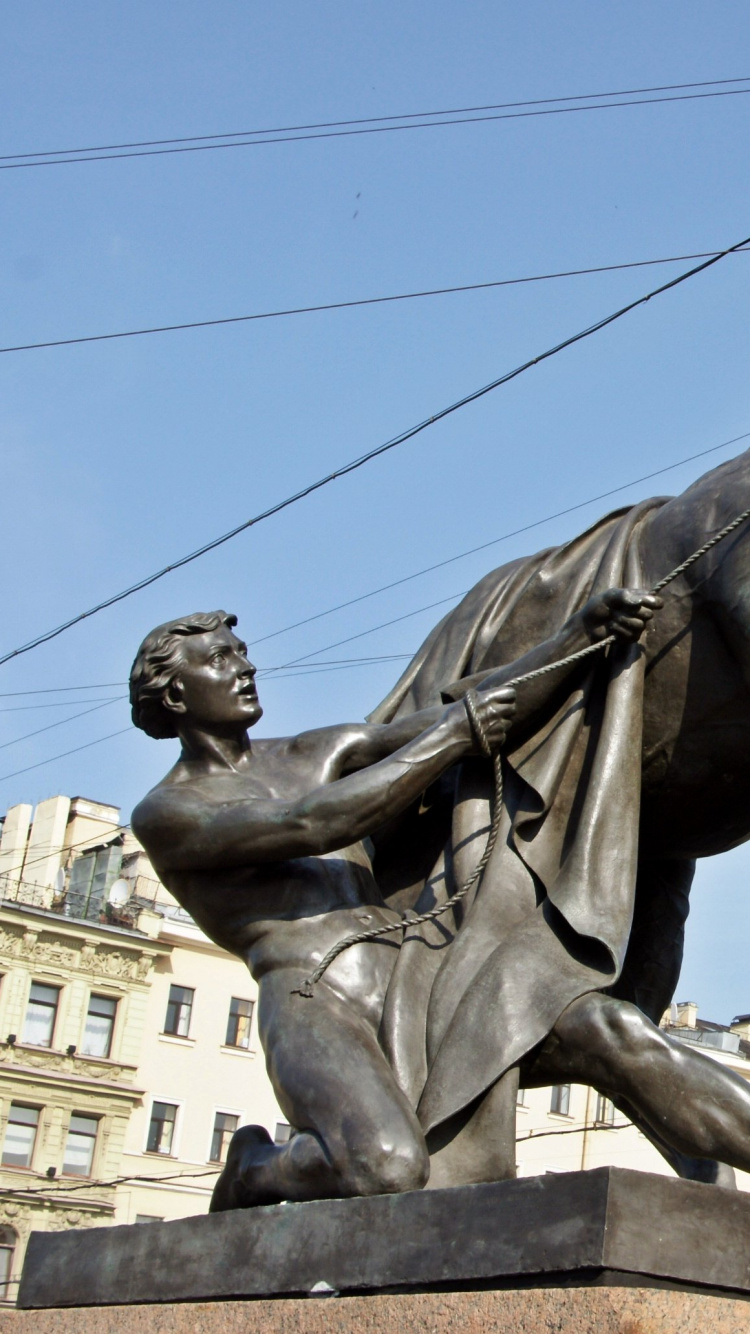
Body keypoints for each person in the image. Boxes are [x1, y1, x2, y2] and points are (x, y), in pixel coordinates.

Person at [129, 588, 679, 1208]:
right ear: (176, 694)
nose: (245, 668)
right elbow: (309, 824)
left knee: (604, 1029)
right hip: (314, 995)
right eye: (221, 659)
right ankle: (256, 1168)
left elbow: (459, 715)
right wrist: (448, 740)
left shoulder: (316, 749)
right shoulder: (168, 812)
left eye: (243, 652)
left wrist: (576, 638)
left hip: (410, 971)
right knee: (385, 1167)